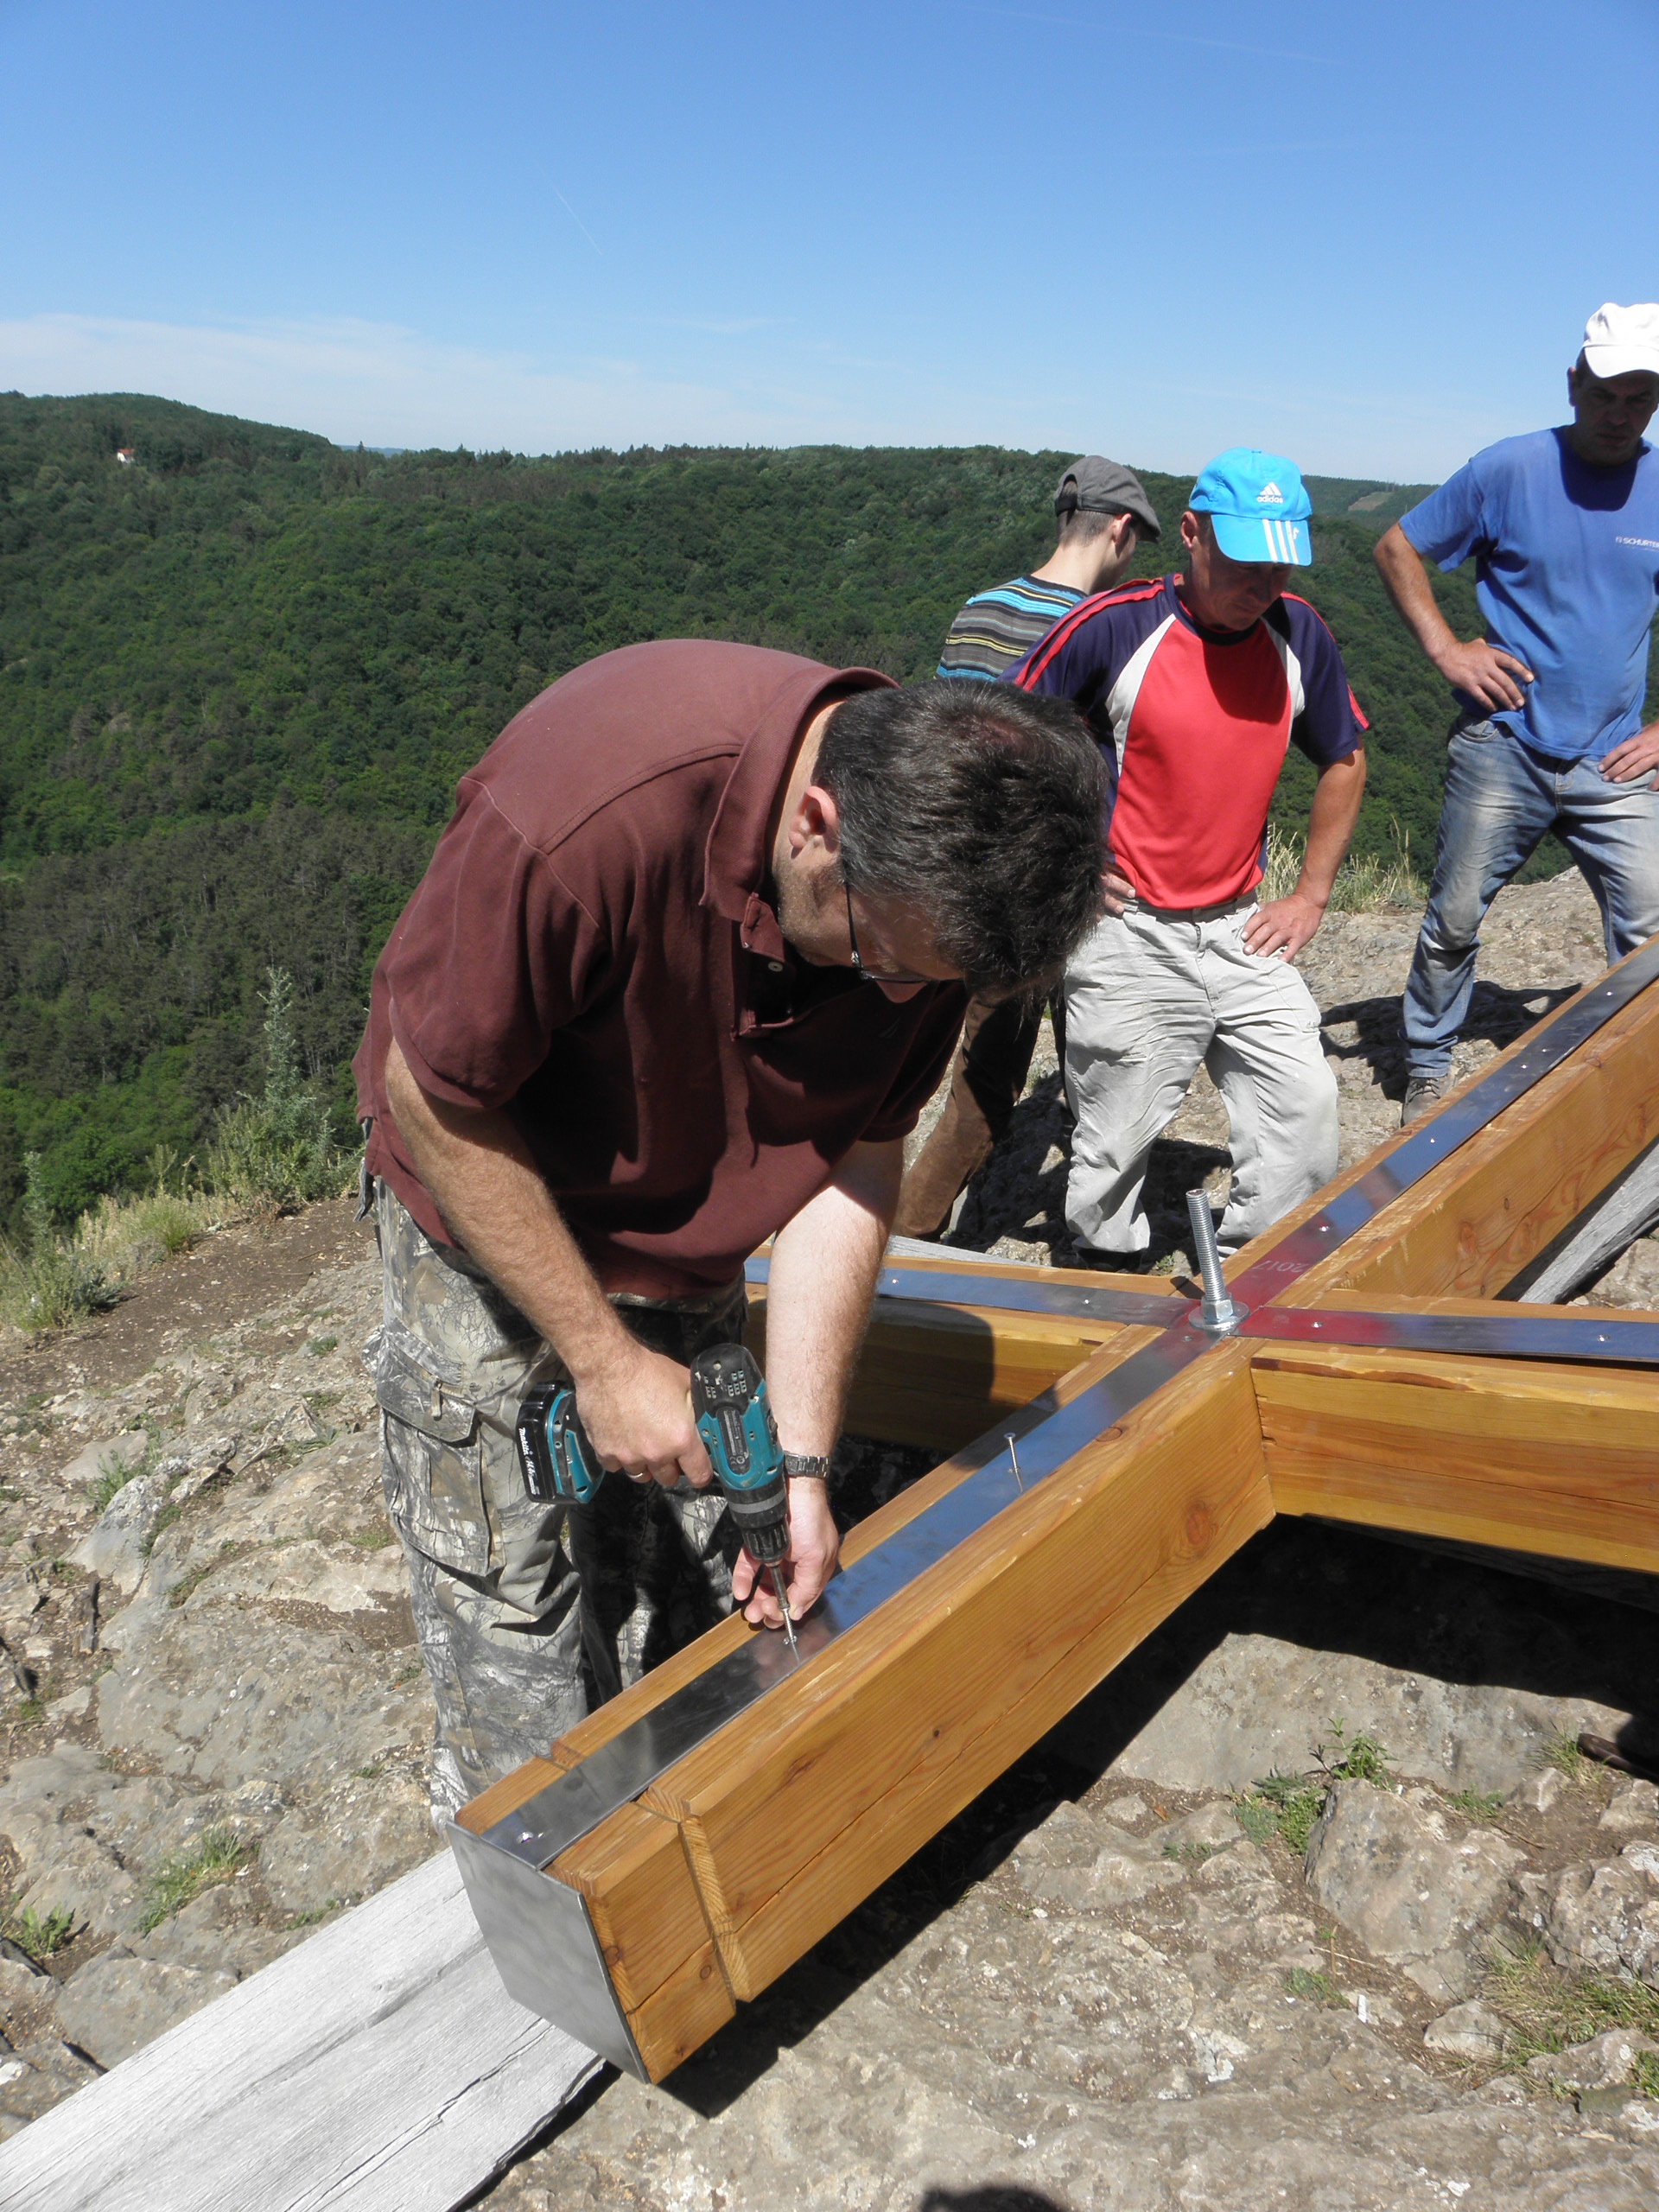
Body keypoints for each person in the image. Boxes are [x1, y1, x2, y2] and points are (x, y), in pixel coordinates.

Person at [352, 640, 1106, 1813]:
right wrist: (600, 1362)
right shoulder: (584, 810)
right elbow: (433, 1093)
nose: (897, 999)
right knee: (526, 1653)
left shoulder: (934, 903)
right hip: (491, 1225)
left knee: (713, 1593)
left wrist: (804, 1465)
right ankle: (544, 1927)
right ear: (815, 825)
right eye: (878, 961)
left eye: (929, 984)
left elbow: (855, 1161)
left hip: (693, 1234)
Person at [1008, 448, 1368, 1265]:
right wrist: (1062, 864)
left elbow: (1344, 757)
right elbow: (1005, 745)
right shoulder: (1114, 626)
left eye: (1280, 564)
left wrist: (1311, 896)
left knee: (1305, 1113)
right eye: (1245, 561)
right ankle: (1107, 1270)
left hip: (1241, 924)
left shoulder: (1297, 632)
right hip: (1127, 926)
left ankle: (1260, 1269)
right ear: (1191, 535)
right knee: (1111, 1146)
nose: (1264, 584)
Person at [1375, 302, 1659, 1124]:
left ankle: (1631, 1068)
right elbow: (1397, 547)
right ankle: (1427, 1063)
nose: (1619, 413)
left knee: (1647, 921)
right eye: (1606, 393)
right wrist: (1444, 649)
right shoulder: (1510, 468)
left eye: (1639, 397)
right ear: (1574, 383)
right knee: (1456, 914)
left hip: (1614, 756)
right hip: (1506, 742)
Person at [896, 457, 1162, 1237]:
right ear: (1120, 531)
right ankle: (909, 1236)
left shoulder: (978, 609)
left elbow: (940, 745)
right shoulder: (1102, 631)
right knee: (991, 1076)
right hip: (1038, 890)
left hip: (957, 868)